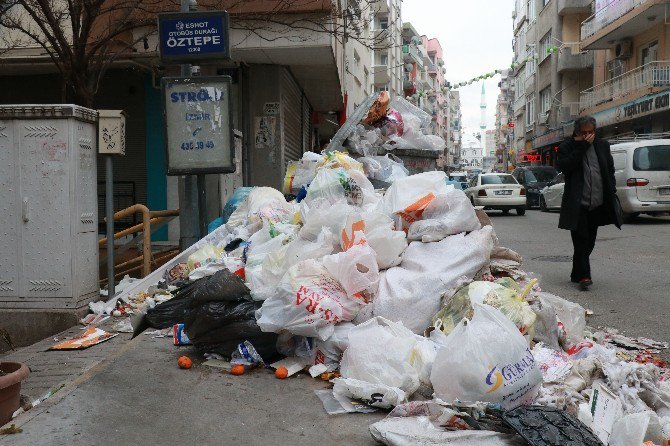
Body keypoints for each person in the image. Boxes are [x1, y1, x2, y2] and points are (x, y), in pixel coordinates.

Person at [557, 116, 623, 291]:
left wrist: (612, 189)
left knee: (590, 241)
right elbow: (565, 166)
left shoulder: (602, 145)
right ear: (577, 132)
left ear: (595, 131)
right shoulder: (567, 147)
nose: (587, 136)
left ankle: (576, 272)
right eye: (583, 133)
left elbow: (609, 169)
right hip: (578, 204)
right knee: (581, 240)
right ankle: (584, 276)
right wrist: (582, 146)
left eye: (590, 132)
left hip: (597, 202)